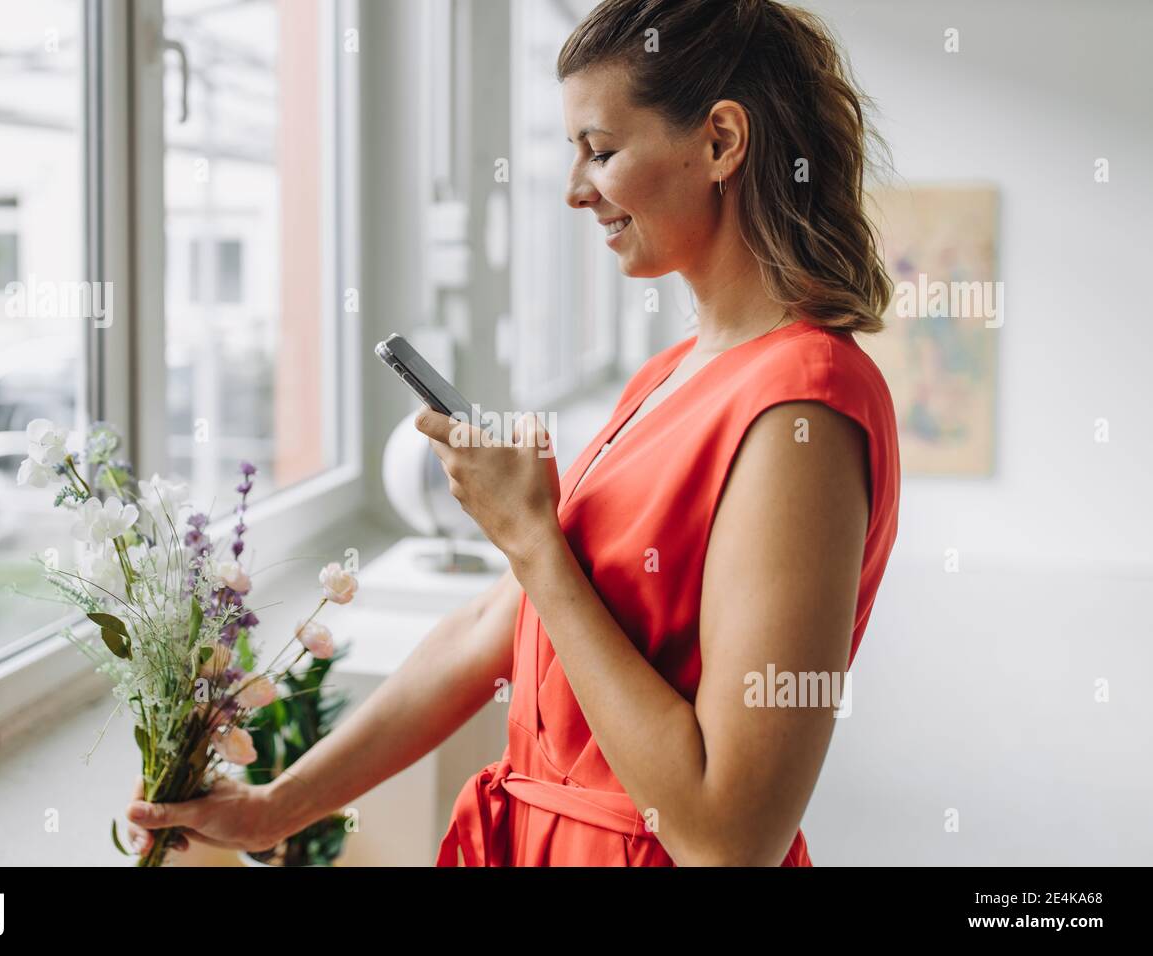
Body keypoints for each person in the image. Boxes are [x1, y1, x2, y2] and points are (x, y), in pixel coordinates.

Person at [127, 0, 900, 866]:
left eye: (600, 151)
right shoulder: (669, 376)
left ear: (722, 140)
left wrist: (531, 536)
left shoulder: (803, 410)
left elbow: (730, 837)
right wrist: (277, 807)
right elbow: (489, 633)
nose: (575, 191)